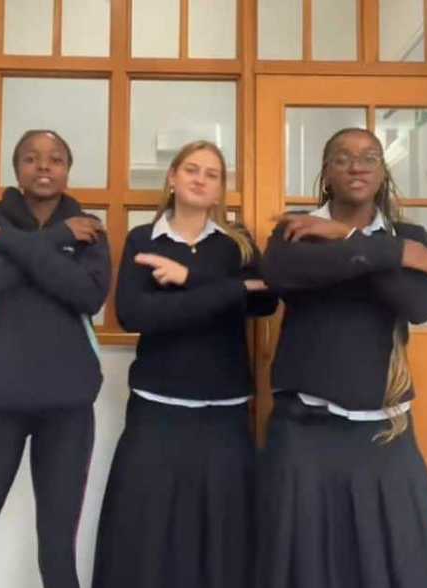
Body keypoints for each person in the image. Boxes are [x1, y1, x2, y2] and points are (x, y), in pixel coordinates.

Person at [256, 127, 427, 587]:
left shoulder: (410, 233)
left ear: (382, 172)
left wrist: (343, 235)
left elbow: (419, 305)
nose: (357, 165)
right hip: (306, 431)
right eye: (342, 157)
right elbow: (281, 273)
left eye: (369, 157)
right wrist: (394, 254)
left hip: (385, 434)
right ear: (326, 172)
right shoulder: (296, 230)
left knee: (397, 566)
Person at [91, 140, 277, 588]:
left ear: (219, 190)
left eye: (211, 174)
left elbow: (267, 299)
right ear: (171, 178)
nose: (200, 178)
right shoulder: (142, 238)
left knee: (223, 541)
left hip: (225, 417)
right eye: (191, 169)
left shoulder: (239, 242)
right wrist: (229, 293)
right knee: (145, 540)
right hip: (157, 414)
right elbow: (135, 315)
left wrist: (187, 281)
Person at [0, 129, 111, 588]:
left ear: (67, 169)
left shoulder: (89, 228)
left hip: (68, 410)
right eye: (32, 158)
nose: (43, 166)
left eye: (55, 158)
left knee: (57, 558)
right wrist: (56, 241)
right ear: (17, 169)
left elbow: (87, 294)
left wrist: (10, 244)